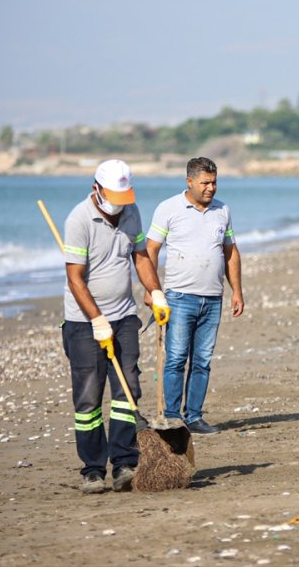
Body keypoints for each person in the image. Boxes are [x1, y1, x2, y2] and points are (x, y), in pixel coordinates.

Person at [62, 159, 170, 493]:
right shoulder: (79, 219)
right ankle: (93, 470)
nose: (120, 205)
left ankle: (124, 463)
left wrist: (155, 291)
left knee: (127, 392)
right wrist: (96, 319)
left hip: (124, 316)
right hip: (84, 323)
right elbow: (75, 277)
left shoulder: (131, 211)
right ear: (96, 189)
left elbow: (140, 256)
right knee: (88, 399)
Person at [146, 157, 244, 435]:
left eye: (214, 182)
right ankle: (174, 416)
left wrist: (237, 290)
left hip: (213, 298)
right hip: (178, 297)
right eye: (205, 183)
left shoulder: (222, 210)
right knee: (176, 358)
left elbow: (230, 252)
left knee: (202, 361)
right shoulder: (168, 208)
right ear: (189, 182)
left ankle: (195, 417)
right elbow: (150, 250)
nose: (211, 188)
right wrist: (151, 290)